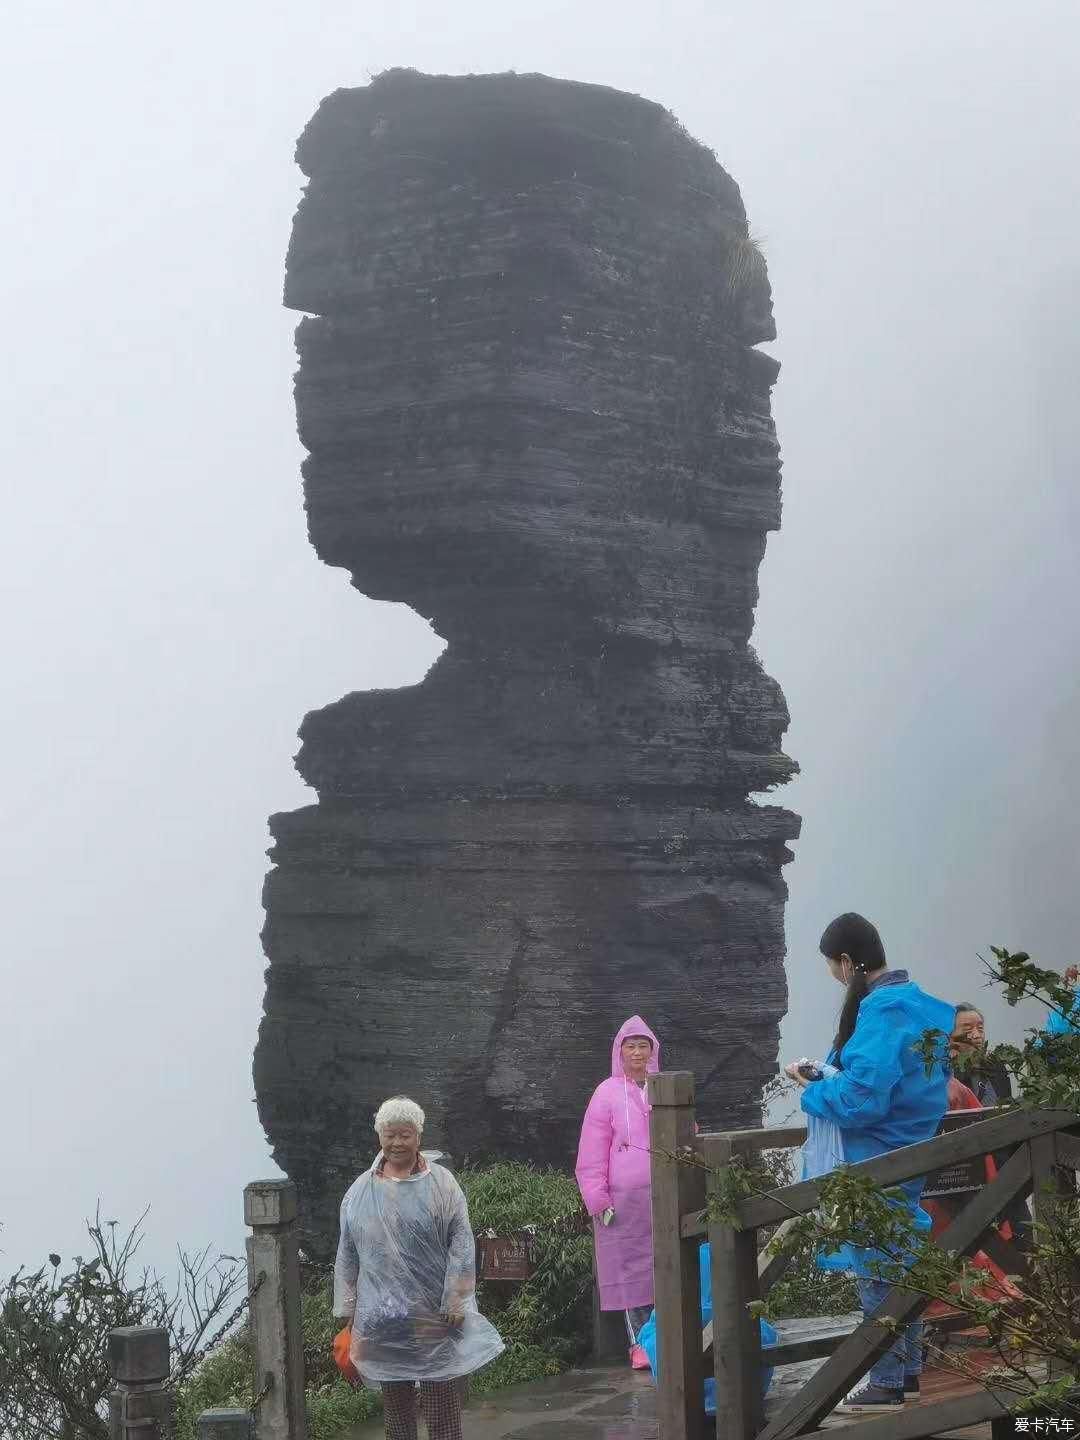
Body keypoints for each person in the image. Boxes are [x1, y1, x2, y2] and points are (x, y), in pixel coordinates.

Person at [785, 913, 955, 1414]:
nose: (834, 977)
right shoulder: (919, 1006)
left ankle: (885, 1383)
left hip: (876, 1155)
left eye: (832, 967)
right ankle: (906, 1376)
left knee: (879, 1268)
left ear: (845, 961)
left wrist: (812, 1087)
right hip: (913, 1145)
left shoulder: (881, 1011)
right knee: (901, 1259)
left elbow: (863, 1099)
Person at [333, 1096, 503, 1440]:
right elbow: (348, 1253)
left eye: (405, 1134)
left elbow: (461, 1241)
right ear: (380, 1135)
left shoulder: (442, 1184)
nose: (397, 1142)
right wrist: (349, 1311)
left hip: (434, 1313)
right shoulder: (360, 1191)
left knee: (441, 1402)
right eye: (390, 1134)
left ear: (418, 1136)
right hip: (384, 1316)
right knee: (397, 1411)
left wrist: (456, 1298)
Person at [576, 1015, 661, 1369]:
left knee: (665, 1267)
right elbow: (591, 1152)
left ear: (653, 1050)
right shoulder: (606, 1093)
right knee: (631, 1276)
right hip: (623, 1205)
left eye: (644, 1045)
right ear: (619, 1051)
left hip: (662, 1199)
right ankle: (640, 1344)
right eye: (631, 1046)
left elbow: (686, 1133)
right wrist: (598, 1198)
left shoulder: (662, 1087)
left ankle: (666, 1337)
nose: (637, 1052)